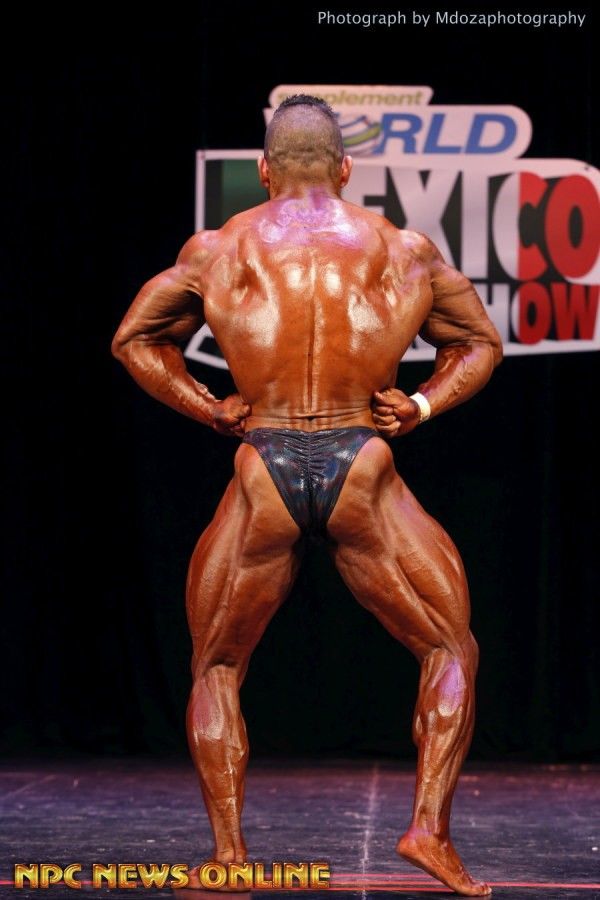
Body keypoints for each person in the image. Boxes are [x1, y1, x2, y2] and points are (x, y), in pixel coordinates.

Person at [112, 94, 503, 897]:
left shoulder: (218, 248)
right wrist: (420, 405)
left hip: (265, 467)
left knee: (218, 665)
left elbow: (133, 341)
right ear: (346, 169)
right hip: (363, 463)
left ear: (263, 171)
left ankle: (229, 859)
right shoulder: (404, 248)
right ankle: (428, 831)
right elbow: (480, 343)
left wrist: (209, 407)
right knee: (449, 649)